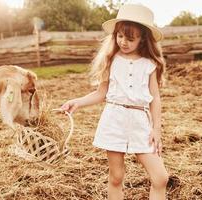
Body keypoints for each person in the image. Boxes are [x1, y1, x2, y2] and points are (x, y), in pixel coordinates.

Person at [60, 4, 169, 200]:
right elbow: (101, 93)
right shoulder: (111, 60)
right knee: (116, 177)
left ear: (143, 38)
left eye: (130, 38)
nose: (123, 42)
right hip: (114, 120)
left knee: (160, 177)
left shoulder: (150, 65)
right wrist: (77, 102)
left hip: (140, 123)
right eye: (120, 36)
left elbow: (155, 98)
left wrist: (157, 129)